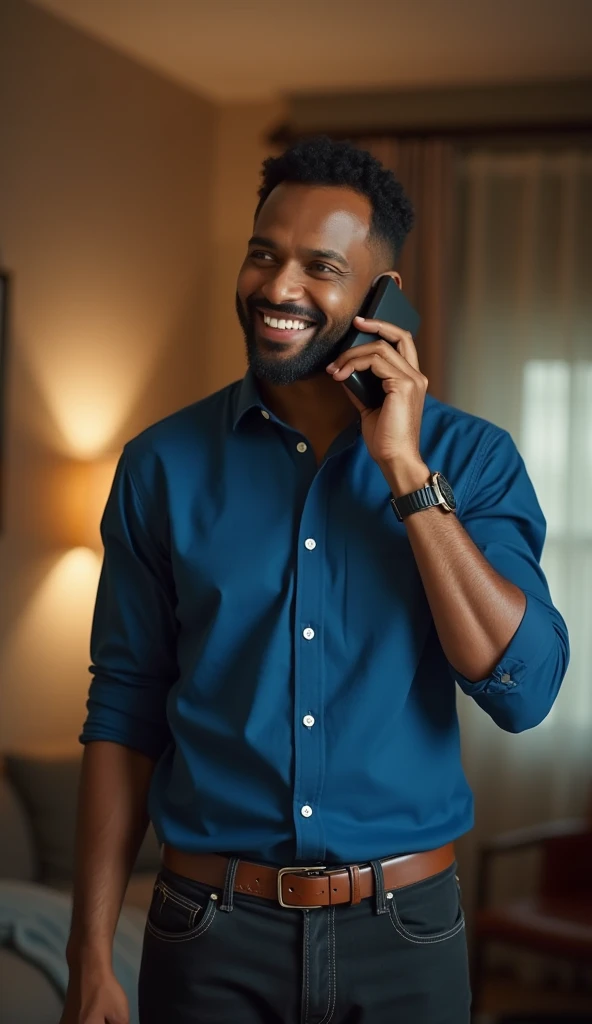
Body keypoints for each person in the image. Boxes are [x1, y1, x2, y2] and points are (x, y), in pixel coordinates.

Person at [61, 137, 569, 1024]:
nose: (277, 287)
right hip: (206, 932)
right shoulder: (160, 466)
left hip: (405, 937)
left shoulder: (473, 461)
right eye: (265, 253)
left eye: (320, 266)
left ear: (382, 298)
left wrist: (406, 473)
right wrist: (88, 954)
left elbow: (523, 689)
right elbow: (124, 710)